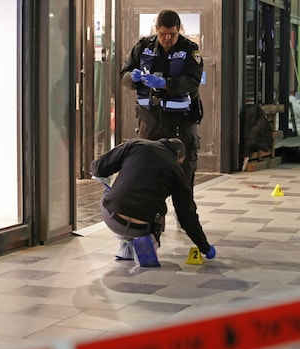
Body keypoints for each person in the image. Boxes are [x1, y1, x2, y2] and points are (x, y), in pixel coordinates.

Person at [90, 138, 216, 259]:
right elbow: (186, 216)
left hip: (113, 219)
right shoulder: (177, 171)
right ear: (178, 154)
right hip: (141, 228)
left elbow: (99, 168)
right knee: (158, 208)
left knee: (110, 191)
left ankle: (126, 246)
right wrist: (205, 247)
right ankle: (150, 240)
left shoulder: (136, 144)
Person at [120, 9, 203, 190]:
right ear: (156, 29)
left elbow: (193, 81)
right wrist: (131, 78)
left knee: (183, 181)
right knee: (147, 179)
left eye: (172, 34)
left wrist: (165, 83)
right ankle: (153, 217)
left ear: (179, 29)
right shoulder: (143, 47)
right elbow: (124, 74)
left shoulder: (189, 50)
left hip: (180, 123)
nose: (167, 38)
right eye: (163, 34)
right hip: (149, 122)